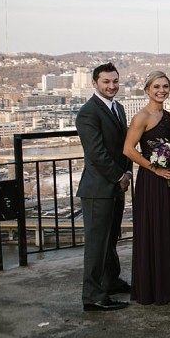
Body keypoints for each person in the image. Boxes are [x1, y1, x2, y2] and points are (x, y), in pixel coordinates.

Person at [75, 63, 132, 311]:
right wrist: (119, 176)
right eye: (106, 82)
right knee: (97, 244)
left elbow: (124, 144)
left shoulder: (118, 107)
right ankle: (93, 296)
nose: (111, 86)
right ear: (95, 83)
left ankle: (111, 280)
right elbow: (96, 153)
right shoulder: (88, 112)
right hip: (98, 189)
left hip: (115, 186)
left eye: (115, 82)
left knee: (110, 239)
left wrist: (128, 171)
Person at [122, 71, 170, 306]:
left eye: (165, 86)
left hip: (169, 179)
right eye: (156, 86)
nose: (161, 90)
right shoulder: (142, 117)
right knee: (153, 230)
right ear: (147, 89)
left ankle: (168, 285)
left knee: (168, 230)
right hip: (151, 181)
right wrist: (155, 169)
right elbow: (128, 149)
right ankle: (152, 288)